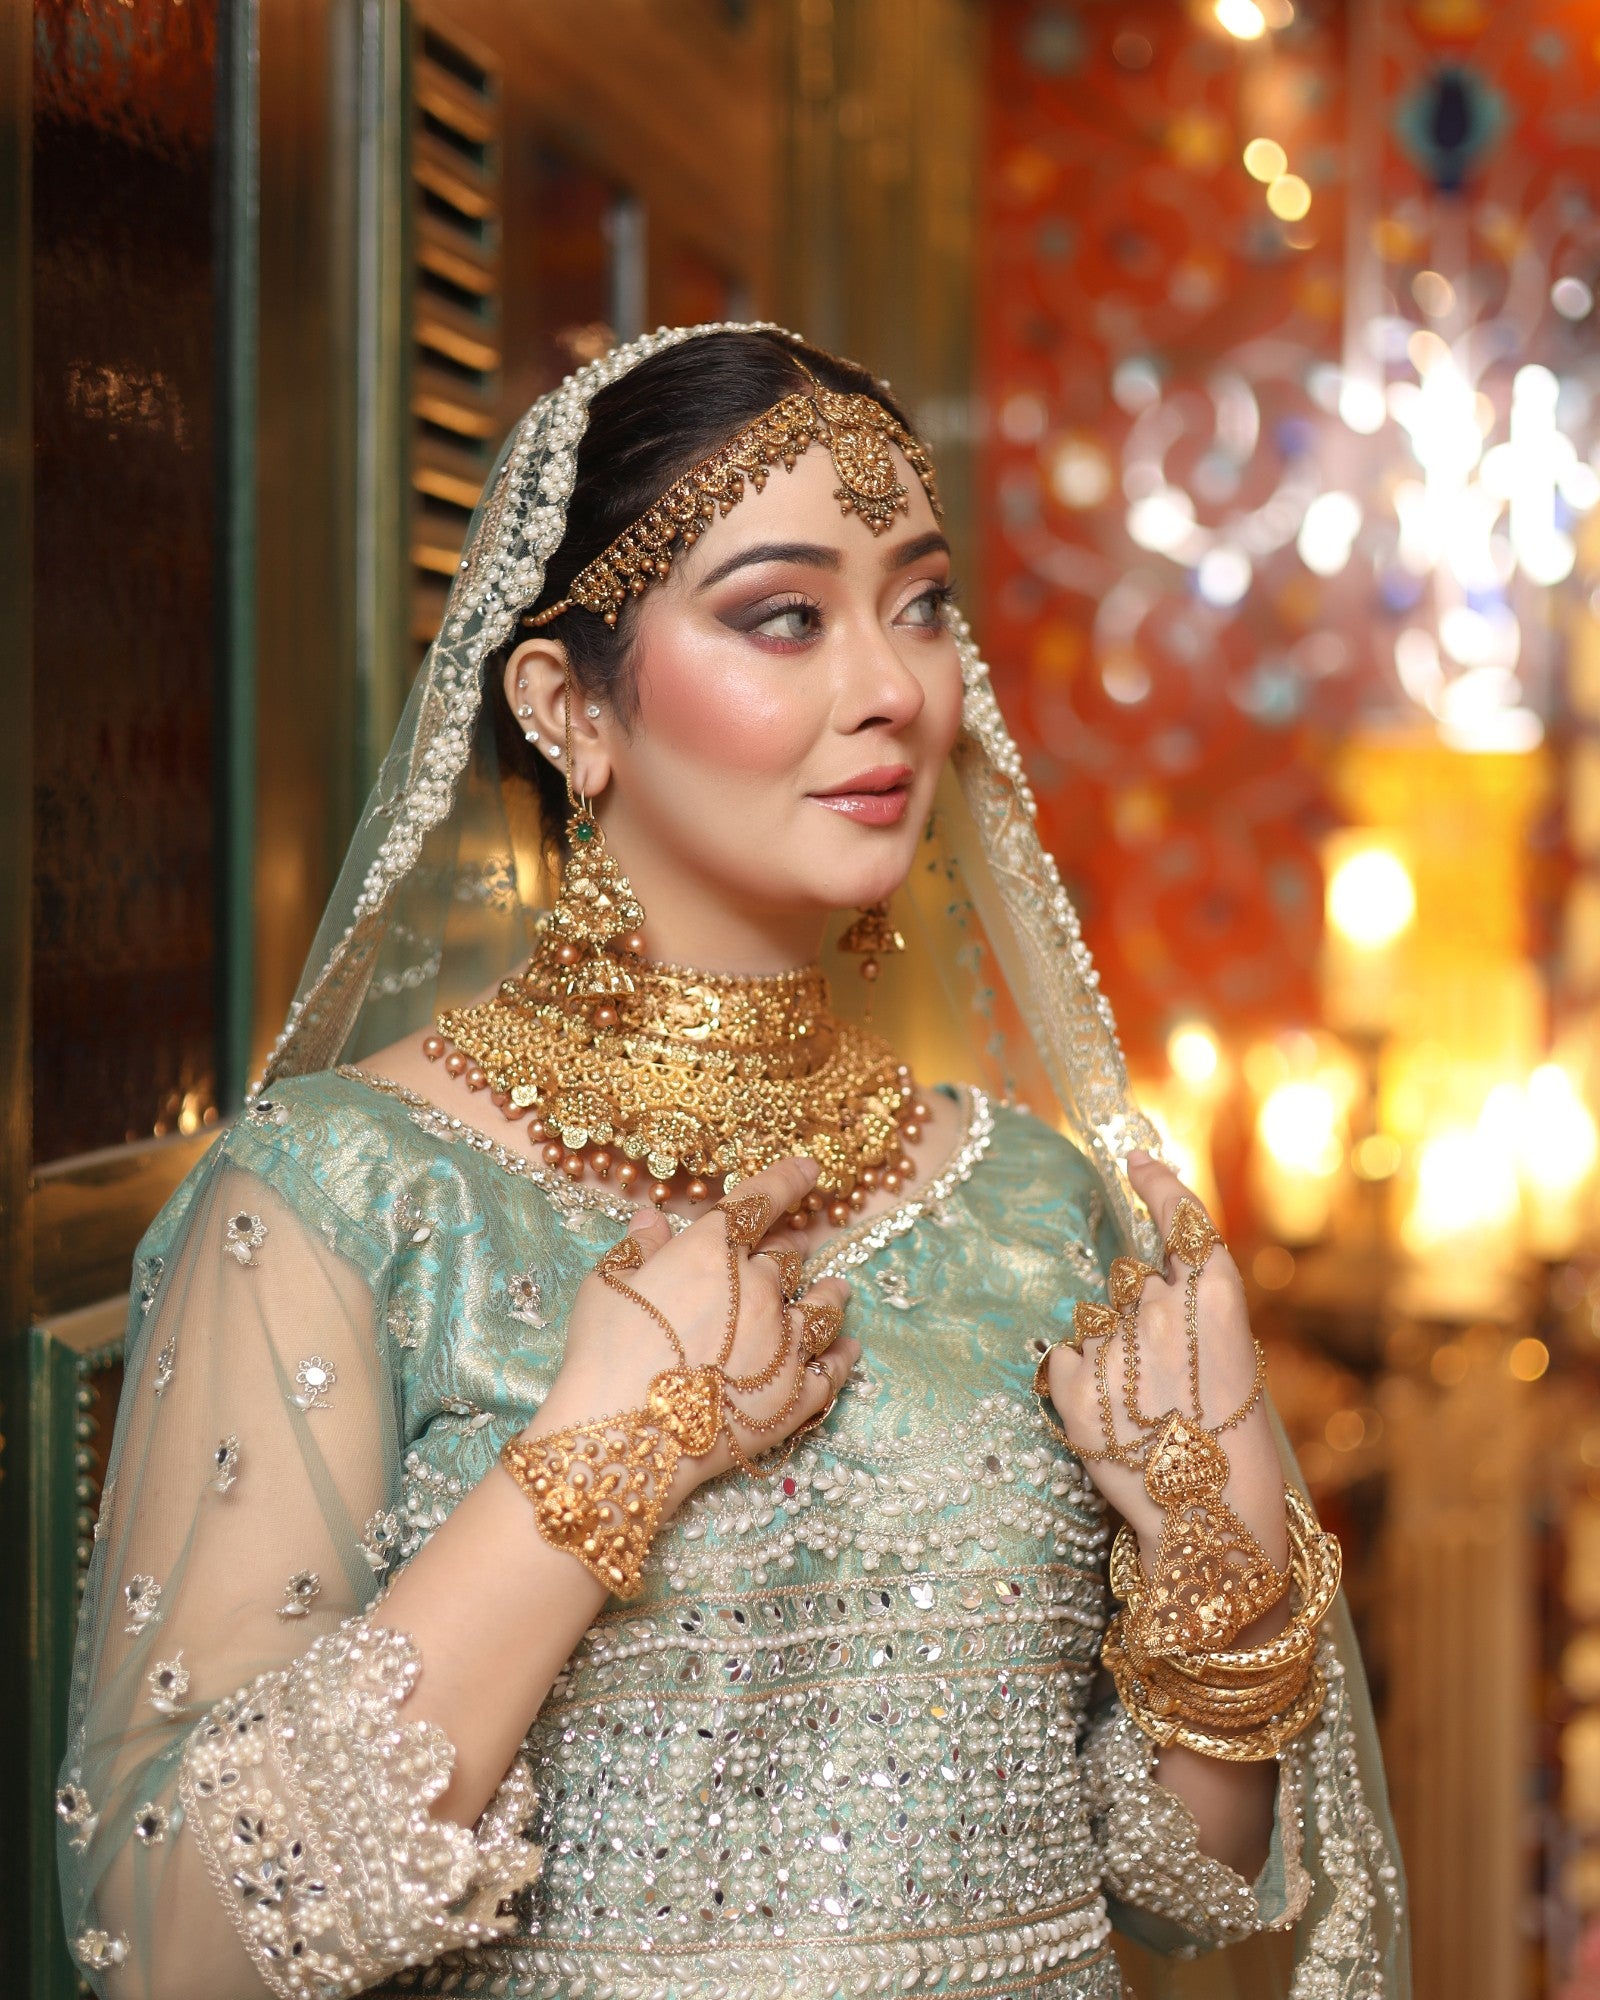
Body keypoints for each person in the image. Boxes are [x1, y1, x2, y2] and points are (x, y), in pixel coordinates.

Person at [58, 325, 1406, 2000]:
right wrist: (599, 1465)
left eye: (920, 604)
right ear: (566, 704)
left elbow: (1176, 1889)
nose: (894, 688)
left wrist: (1225, 1540)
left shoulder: (1028, 1209)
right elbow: (167, 1942)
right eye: (785, 615)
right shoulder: (345, 1199)